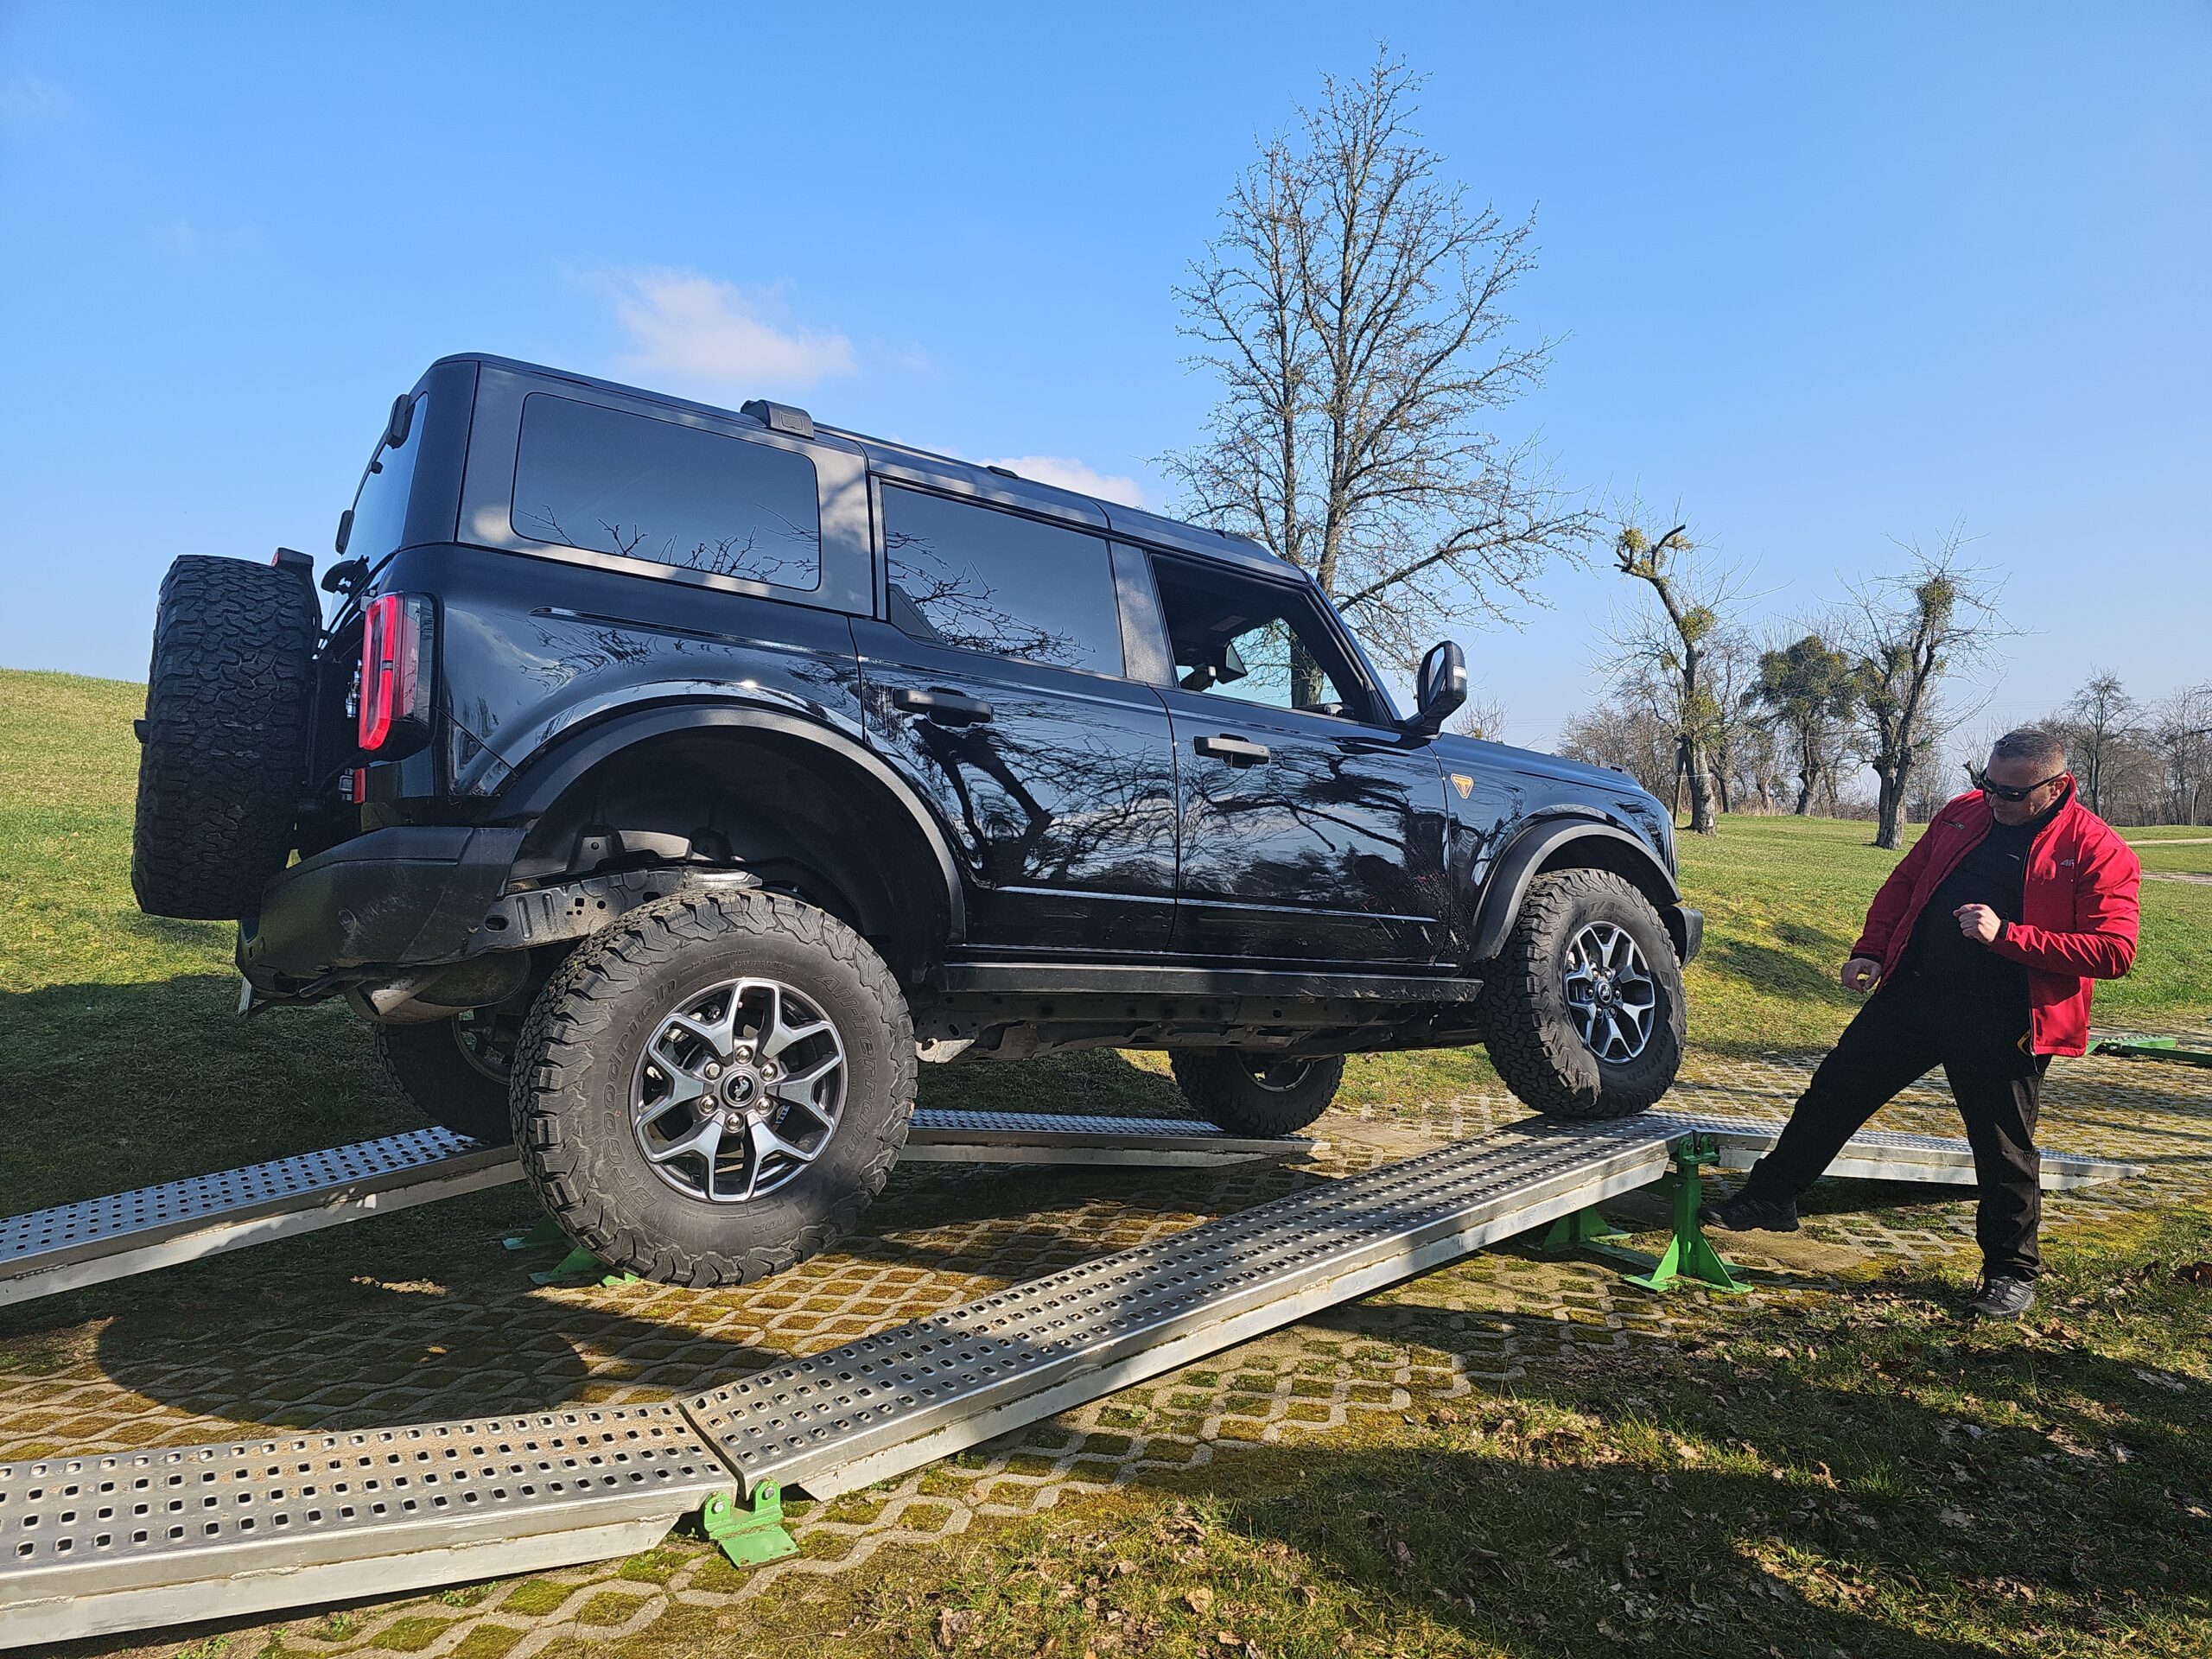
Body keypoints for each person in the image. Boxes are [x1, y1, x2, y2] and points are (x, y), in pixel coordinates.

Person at [1708, 728, 2141, 1319]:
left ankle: (2011, 1271)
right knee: (1834, 1091)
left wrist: (2007, 936)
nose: (1995, 799)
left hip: (2006, 1017)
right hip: (1915, 991)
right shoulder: (1964, 812)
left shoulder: (2098, 849)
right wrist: (1871, 950)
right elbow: (1906, 883)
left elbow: (2114, 952)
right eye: (1988, 784)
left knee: (2002, 1147)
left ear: (2057, 786)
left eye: (2012, 793)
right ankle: (1771, 1198)